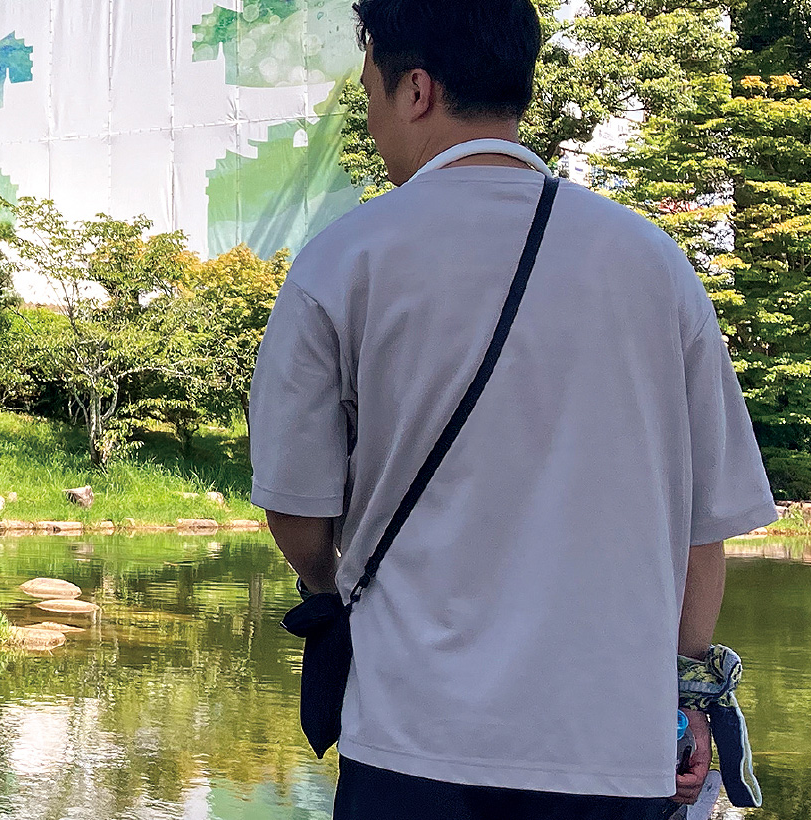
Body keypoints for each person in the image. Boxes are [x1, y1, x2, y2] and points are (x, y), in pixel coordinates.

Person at [248, 1, 775, 818]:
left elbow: (297, 512)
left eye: (371, 95)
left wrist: (341, 585)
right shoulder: (653, 262)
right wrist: (692, 691)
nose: (374, 122)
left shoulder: (340, 261)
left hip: (411, 739)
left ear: (416, 89)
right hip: (611, 751)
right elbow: (704, 527)